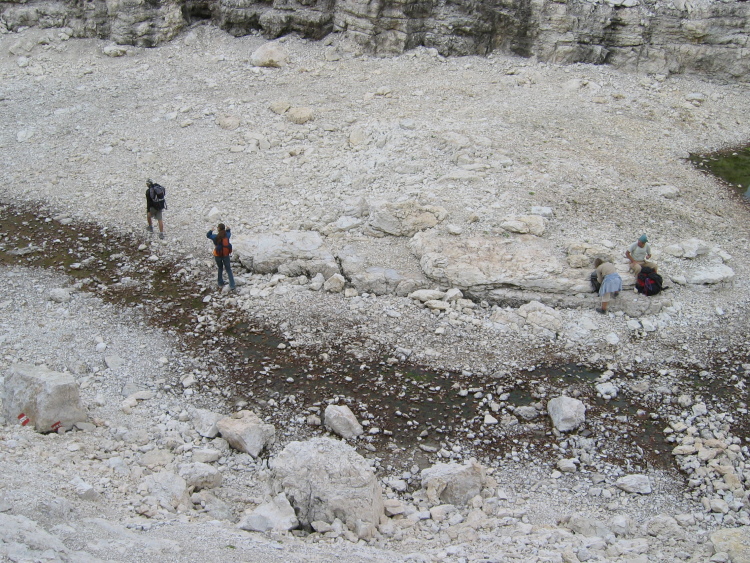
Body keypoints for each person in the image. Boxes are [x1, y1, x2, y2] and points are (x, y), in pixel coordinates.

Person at [206, 223, 235, 291]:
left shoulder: (215, 236)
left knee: (220, 268)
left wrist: (211, 230)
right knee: (228, 269)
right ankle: (232, 285)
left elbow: (208, 235)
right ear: (224, 228)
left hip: (217, 255)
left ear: (218, 228)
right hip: (225, 255)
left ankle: (220, 283)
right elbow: (229, 233)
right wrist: (228, 229)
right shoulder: (227, 236)